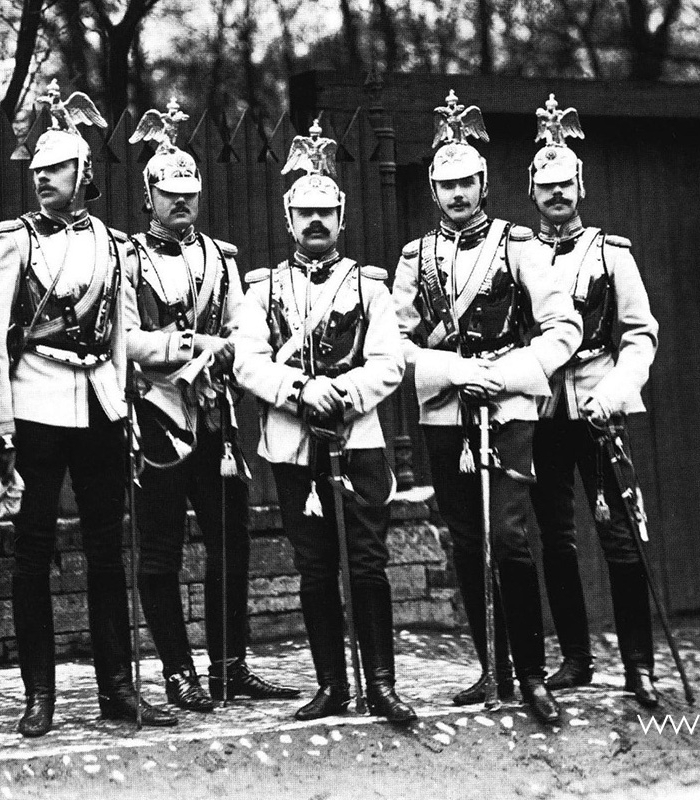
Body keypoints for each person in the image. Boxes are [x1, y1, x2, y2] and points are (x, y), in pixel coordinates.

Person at [0, 80, 176, 737]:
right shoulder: (13, 241)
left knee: (106, 550)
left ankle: (118, 688)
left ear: (85, 173)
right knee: (32, 552)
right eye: (38, 170)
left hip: (99, 408)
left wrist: (125, 405)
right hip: (34, 405)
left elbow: (119, 333)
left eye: (57, 168)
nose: (43, 179)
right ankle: (39, 694)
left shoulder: (115, 245)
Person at [391, 91, 581, 725]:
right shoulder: (415, 258)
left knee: (509, 536)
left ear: (483, 184)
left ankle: (531, 675)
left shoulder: (517, 244)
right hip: (447, 410)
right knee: (468, 541)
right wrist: (451, 369)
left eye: (466, 183)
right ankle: (491, 667)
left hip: (507, 408)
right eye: (446, 185)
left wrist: (506, 374)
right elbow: (394, 342)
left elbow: (563, 327)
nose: (457, 194)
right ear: (433, 189)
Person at [234, 119, 415, 724]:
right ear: (289, 221)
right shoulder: (264, 288)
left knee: (367, 563)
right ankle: (332, 685)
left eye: (326, 213)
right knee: (314, 567)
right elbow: (249, 362)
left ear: (341, 218)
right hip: (293, 444)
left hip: (358, 439)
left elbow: (390, 363)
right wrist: (300, 390)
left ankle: (381, 684)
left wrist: (342, 393)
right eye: (305, 213)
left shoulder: (369, 286)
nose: (316, 222)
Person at [124, 99, 299, 712]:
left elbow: (244, 329)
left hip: (217, 415)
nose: (181, 203)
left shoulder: (222, 257)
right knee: (161, 548)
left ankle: (229, 666)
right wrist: (189, 346)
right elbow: (125, 339)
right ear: (149, 197)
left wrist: (230, 354)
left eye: (189, 194)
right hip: (158, 411)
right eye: (169, 194)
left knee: (231, 541)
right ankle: (177, 671)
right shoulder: (129, 258)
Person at [524, 95, 661, 707]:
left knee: (620, 535)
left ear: (580, 187)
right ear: (531, 191)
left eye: (565, 184)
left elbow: (640, 334)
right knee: (556, 538)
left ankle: (638, 666)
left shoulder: (611, 253)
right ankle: (576, 658)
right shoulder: (519, 254)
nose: (556, 194)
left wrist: (617, 390)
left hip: (600, 405)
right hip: (543, 410)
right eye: (545, 186)